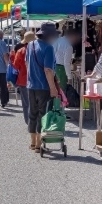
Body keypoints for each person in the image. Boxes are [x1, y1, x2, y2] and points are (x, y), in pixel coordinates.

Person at [26, 22, 60, 150]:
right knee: (43, 114)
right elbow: (48, 70)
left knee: (32, 113)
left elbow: (26, 63)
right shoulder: (48, 48)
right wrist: (53, 88)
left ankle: (33, 142)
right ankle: (39, 144)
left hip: (31, 85)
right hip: (43, 86)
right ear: (50, 36)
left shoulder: (30, 45)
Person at [12, 32, 35, 126]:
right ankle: (36, 122)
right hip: (37, 80)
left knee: (26, 103)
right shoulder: (38, 50)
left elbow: (15, 66)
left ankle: (29, 122)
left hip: (23, 79)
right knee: (36, 103)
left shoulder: (21, 51)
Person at [53, 27, 74, 92]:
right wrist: (69, 77)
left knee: (56, 91)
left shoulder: (58, 40)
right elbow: (66, 63)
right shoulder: (68, 46)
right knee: (62, 91)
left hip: (55, 67)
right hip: (61, 69)